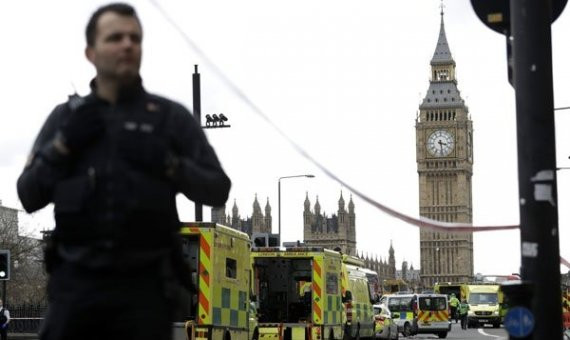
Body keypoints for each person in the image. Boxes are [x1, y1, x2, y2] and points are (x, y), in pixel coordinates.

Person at [17, 3, 230, 340]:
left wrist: (169, 164)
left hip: (144, 294)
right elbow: (28, 194)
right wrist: (63, 146)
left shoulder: (168, 118)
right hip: (76, 290)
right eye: (115, 37)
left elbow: (218, 189)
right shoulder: (66, 119)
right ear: (91, 52)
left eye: (135, 38)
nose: (128, 45)